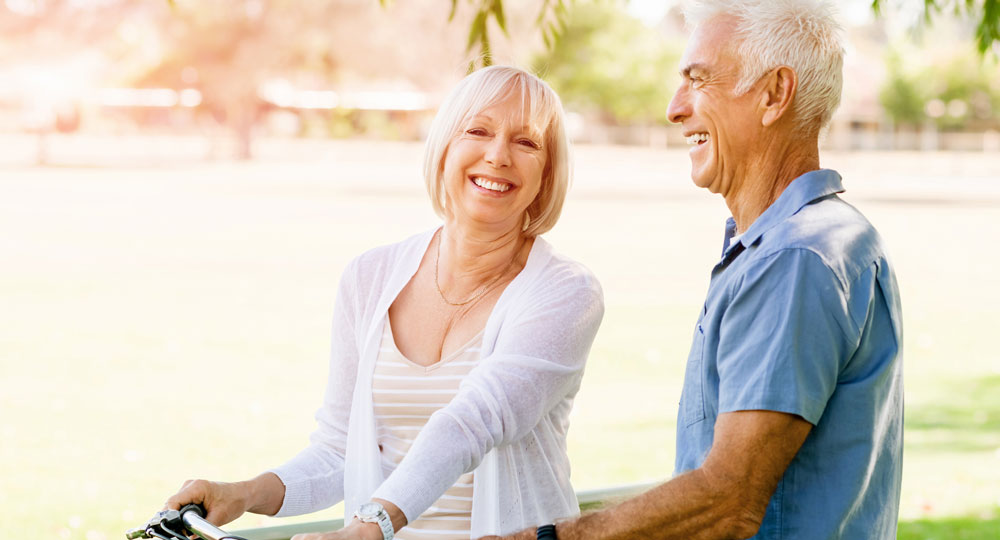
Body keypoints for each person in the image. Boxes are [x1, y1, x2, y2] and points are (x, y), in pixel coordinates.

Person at [490, 1, 904, 539]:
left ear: (774, 94)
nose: (674, 108)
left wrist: (551, 538)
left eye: (697, 78)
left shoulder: (795, 258)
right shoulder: (811, 242)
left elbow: (729, 500)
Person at [163, 66, 604, 540]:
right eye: (477, 130)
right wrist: (244, 493)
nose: (497, 156)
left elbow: (473, 422)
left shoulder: (566, 292)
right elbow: (339, 450)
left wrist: (372, 525)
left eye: (527, 142)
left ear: (548, 172)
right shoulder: (369, 278)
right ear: (444, 149)